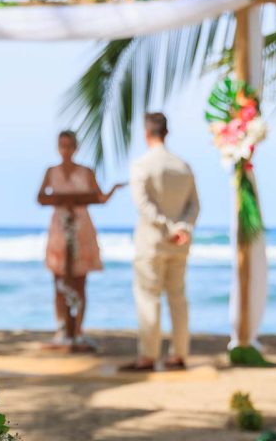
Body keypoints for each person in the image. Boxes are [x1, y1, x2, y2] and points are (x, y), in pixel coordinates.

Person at [119, 111, 201, 372]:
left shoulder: (142, 165)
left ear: (146, 133)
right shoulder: (183, 166)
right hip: (180, 243)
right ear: (166, 132)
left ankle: (148, 356)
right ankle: (179, 354)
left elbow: (144, 205)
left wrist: (167, 228)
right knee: (178, 298)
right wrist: (182, 228)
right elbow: (194, 205)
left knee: (148, 297)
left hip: (153, 243)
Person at [37, 129, 125, 351]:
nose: (65, 150)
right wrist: (62, 201)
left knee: (80, 281)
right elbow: (40, 197)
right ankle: (61, 328)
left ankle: (77, 330)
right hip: (59, 227)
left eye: (69, 145)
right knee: (58, 281)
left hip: (81, 228)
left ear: (75, 148)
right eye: (61, 145)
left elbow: (100, 197)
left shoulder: (86, 172)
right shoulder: (51, 171)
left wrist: (113, 189)